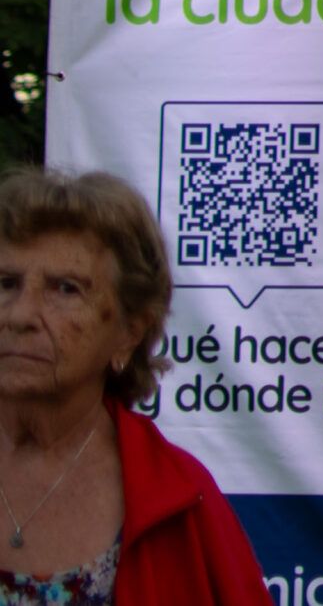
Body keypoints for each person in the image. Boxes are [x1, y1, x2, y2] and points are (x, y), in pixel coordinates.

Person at [0, 165, 270, 603]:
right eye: (6, 283)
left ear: (129, 331)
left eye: (65, 289)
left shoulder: (181, 500)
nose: (20, 315)